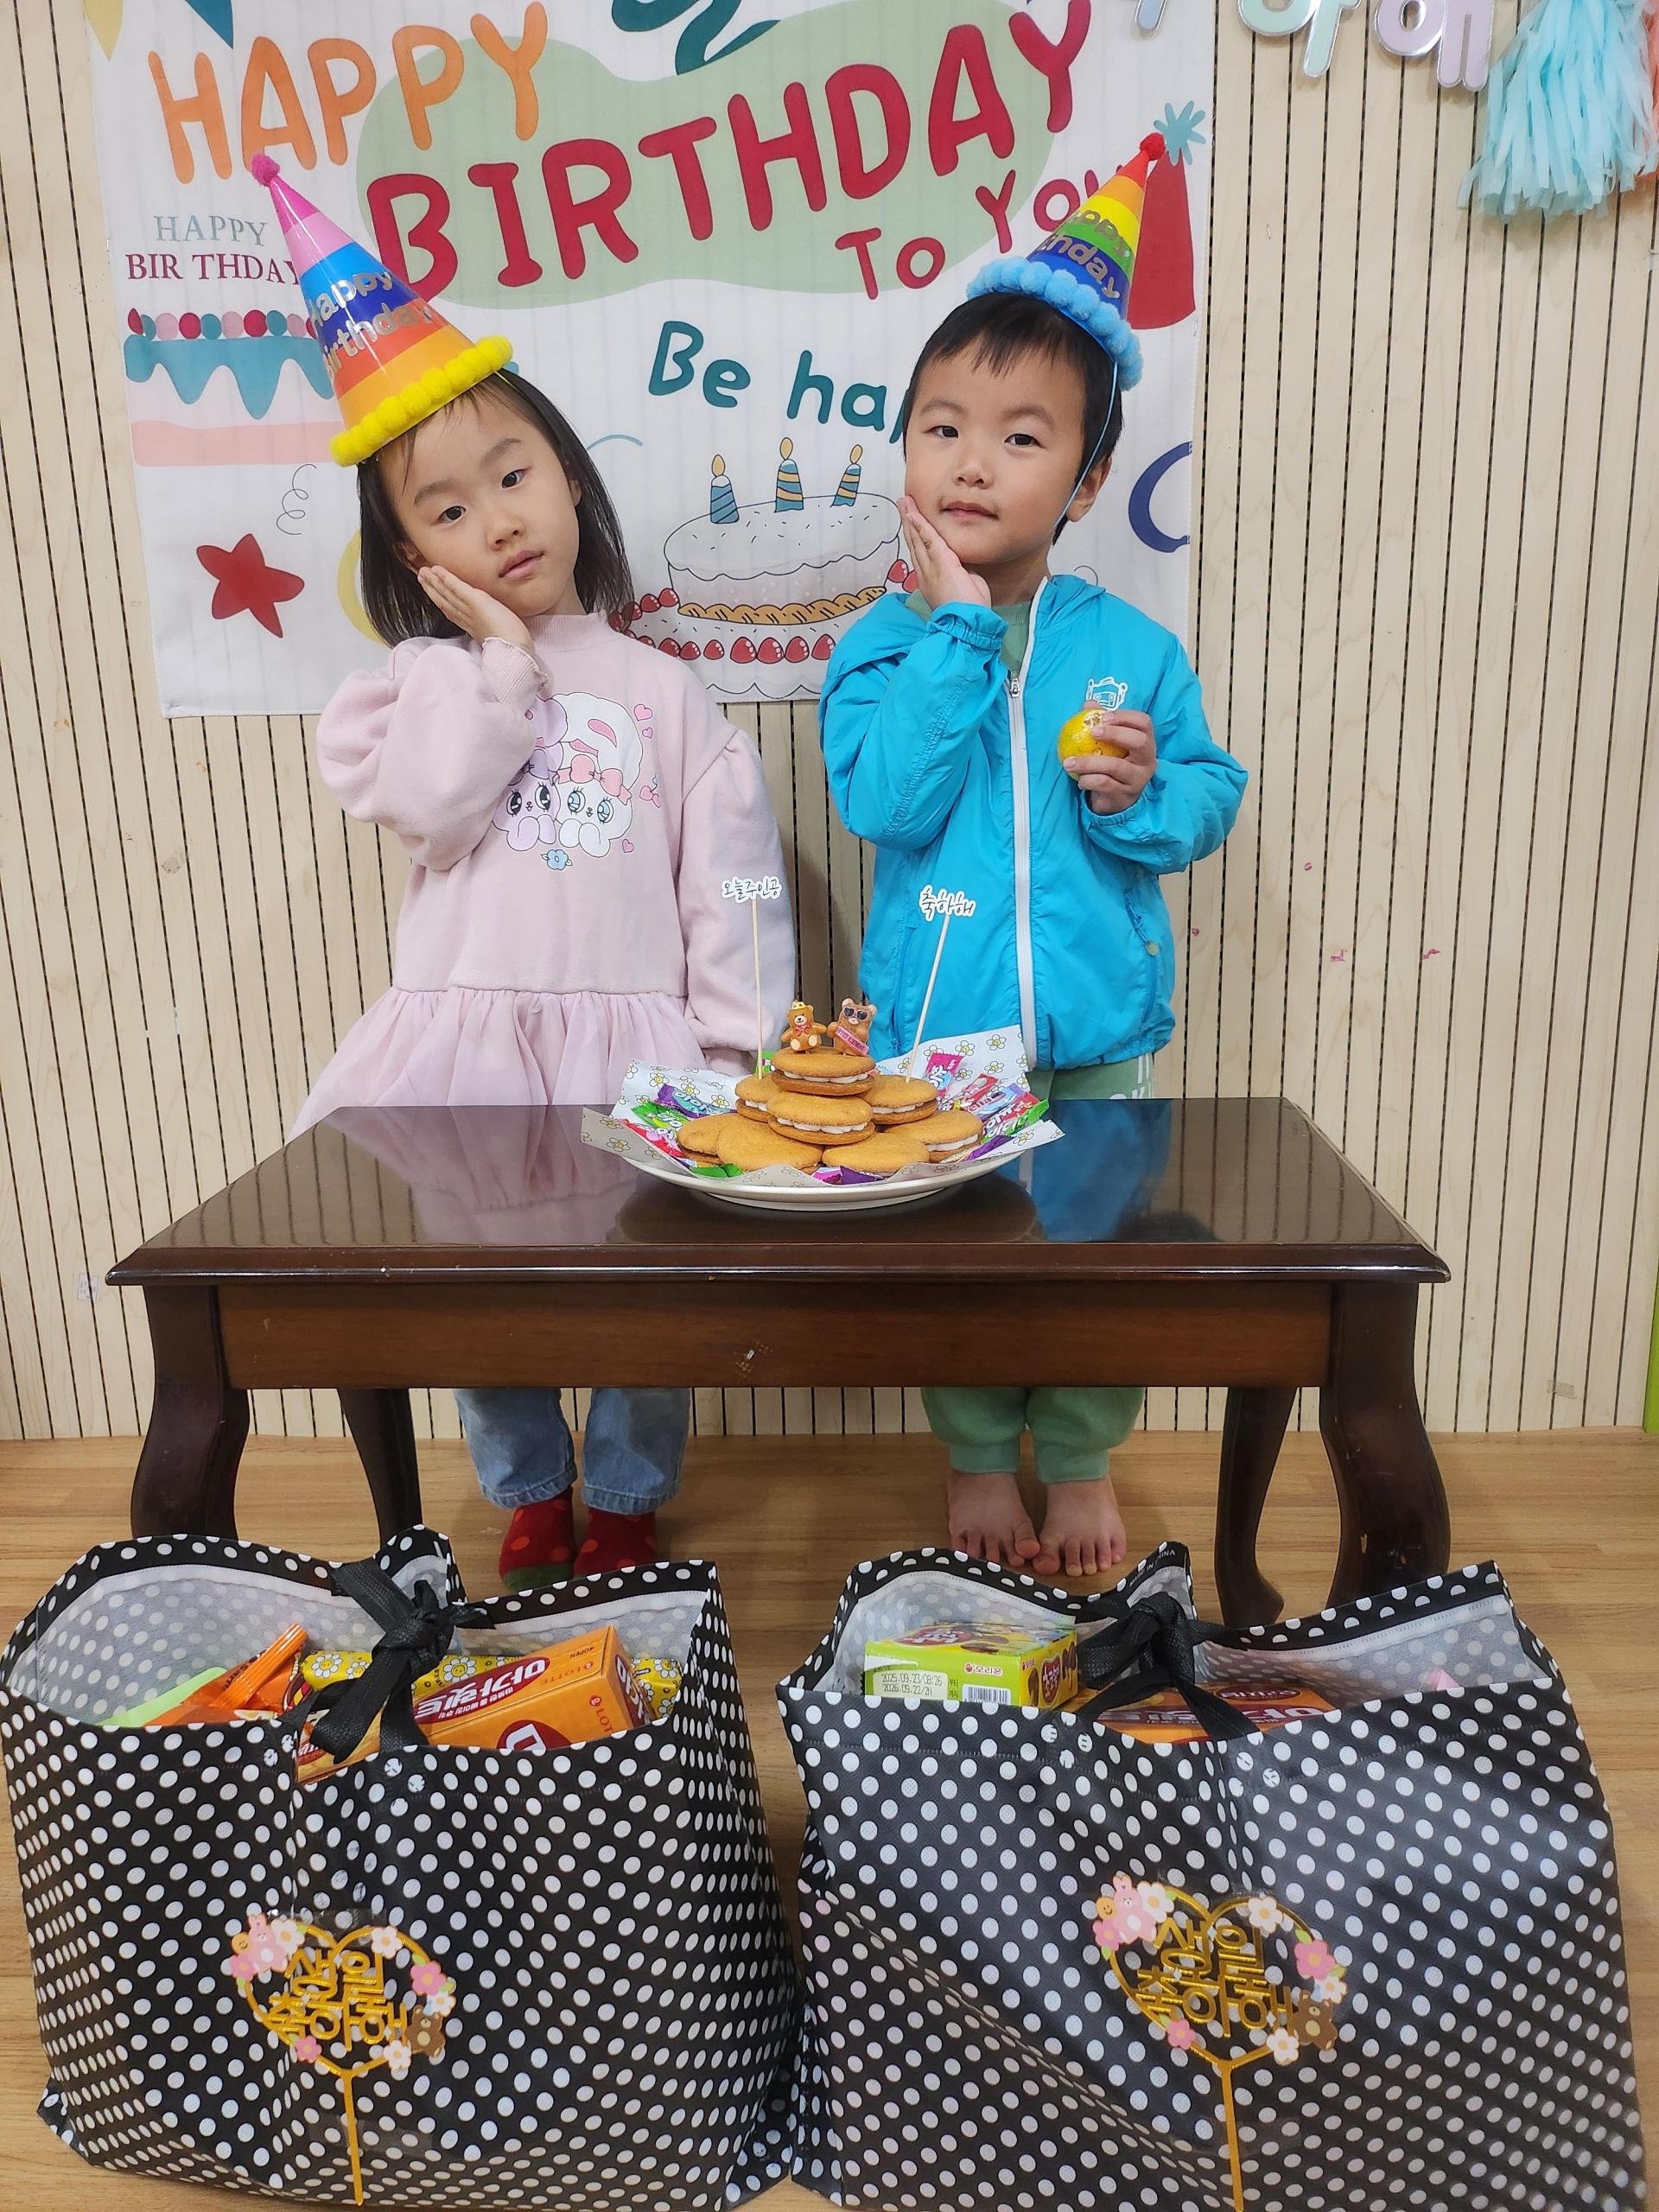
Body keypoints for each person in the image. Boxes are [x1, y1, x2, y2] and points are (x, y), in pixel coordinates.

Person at [251, 159, 793, 1589]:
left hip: (635, 1047)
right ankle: (529, 1483)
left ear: (568, 474)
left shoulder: (663, 692)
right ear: (409, 555)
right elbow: (435, 807)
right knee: (475, 1291)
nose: (498, 521)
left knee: (646, 1291)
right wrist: (496, 664)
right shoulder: (415, 690)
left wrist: (735, 1044)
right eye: (447, 511)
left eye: (514, 475)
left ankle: (627, 1490)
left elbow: (733, 874)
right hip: (470, 1053)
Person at [819, 137, 1246, 1579]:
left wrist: (1140, 796)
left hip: (1099, 1027)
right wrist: (954, 628)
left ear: (1086, 476)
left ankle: (1078, 1458)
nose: (970, 461)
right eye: (942, 427)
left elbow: (1208, 798)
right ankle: (973, 1456)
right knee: (958, 1265)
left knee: (1087, 1261)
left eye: (1020, 437)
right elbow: (886, 802)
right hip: (943, 1034)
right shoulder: (878, 647)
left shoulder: (1131, 647)